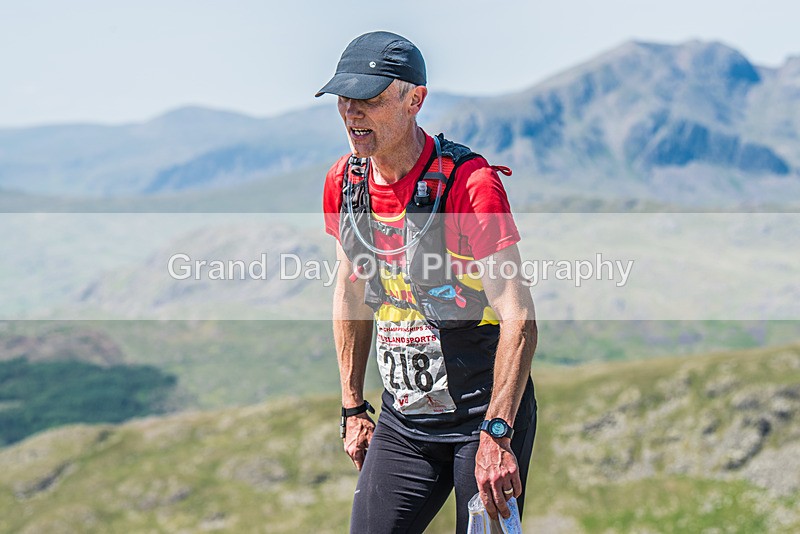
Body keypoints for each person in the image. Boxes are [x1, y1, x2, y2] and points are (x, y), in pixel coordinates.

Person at [317, 31, 537, 533]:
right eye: (344, 99)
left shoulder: (470, 185)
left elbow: (519, 317)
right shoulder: (345, 184)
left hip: (484, 421)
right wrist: (352, 408)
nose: (352, 113)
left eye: (368, 99)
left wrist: (497, 434)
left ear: (414, 99)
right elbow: (350, 293)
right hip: (404, 421)